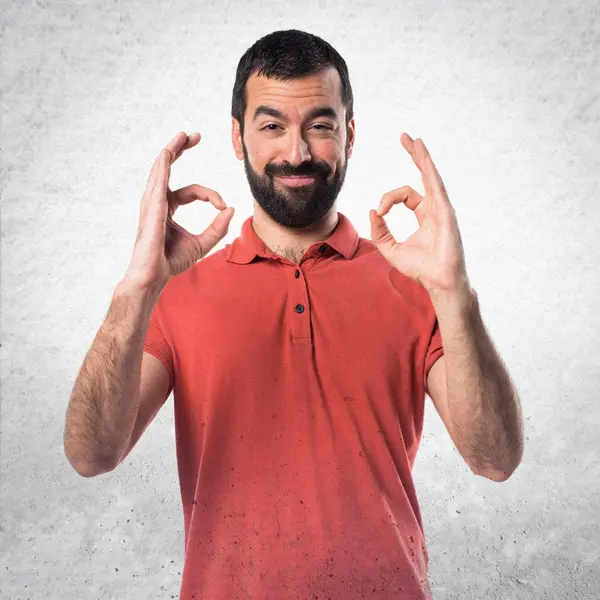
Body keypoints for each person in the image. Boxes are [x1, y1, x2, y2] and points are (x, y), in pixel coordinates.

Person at [63, 29, 524, 600]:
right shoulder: (176, 290)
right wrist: (135, 289)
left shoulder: (413, 283)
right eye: (272, 125)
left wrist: (456, 293)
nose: (297, 153)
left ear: (349, 135)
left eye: (320, 126)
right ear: (238, 137)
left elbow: (496, 459)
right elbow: (91, 454)